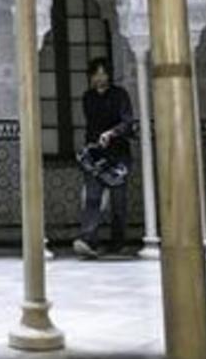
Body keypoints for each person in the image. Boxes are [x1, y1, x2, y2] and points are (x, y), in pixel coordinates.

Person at [73, 57, 135, 259]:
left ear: (109, 75)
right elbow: (92, 126)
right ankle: (88, 239)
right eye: (96, 74)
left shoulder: (120, 95)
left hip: (118, 154)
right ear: (90, 76)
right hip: (96, 155)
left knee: (118, 201)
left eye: (103, 73)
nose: (100, 78)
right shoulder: (88, 97)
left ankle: (117, 243)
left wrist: (111, 133)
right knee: (92, 198)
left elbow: (127, 122)